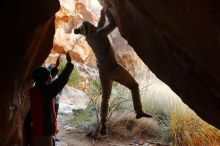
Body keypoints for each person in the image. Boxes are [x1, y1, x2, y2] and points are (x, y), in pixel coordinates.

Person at [74, 7, 152, 135]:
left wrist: (102, 13)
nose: (94, 24)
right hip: (113, 68)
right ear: (90, 27)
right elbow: (113, 24)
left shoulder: (89, 38)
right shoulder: (99, 33)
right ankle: (138, 111)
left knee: (106, 97)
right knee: (134, 86)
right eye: (91, 24)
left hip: (102, 72)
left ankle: (103, 124)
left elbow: (98, 26)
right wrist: (109, 12)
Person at [29, 53, 73, 146]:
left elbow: (46, 78)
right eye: (49, 76)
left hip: (35, 128)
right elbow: (62, 80)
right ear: (46, 79)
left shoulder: (34, 90)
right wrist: (69, 63)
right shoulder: (47, 92)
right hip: (44, 132)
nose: (50, 77)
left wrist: (56, 66)